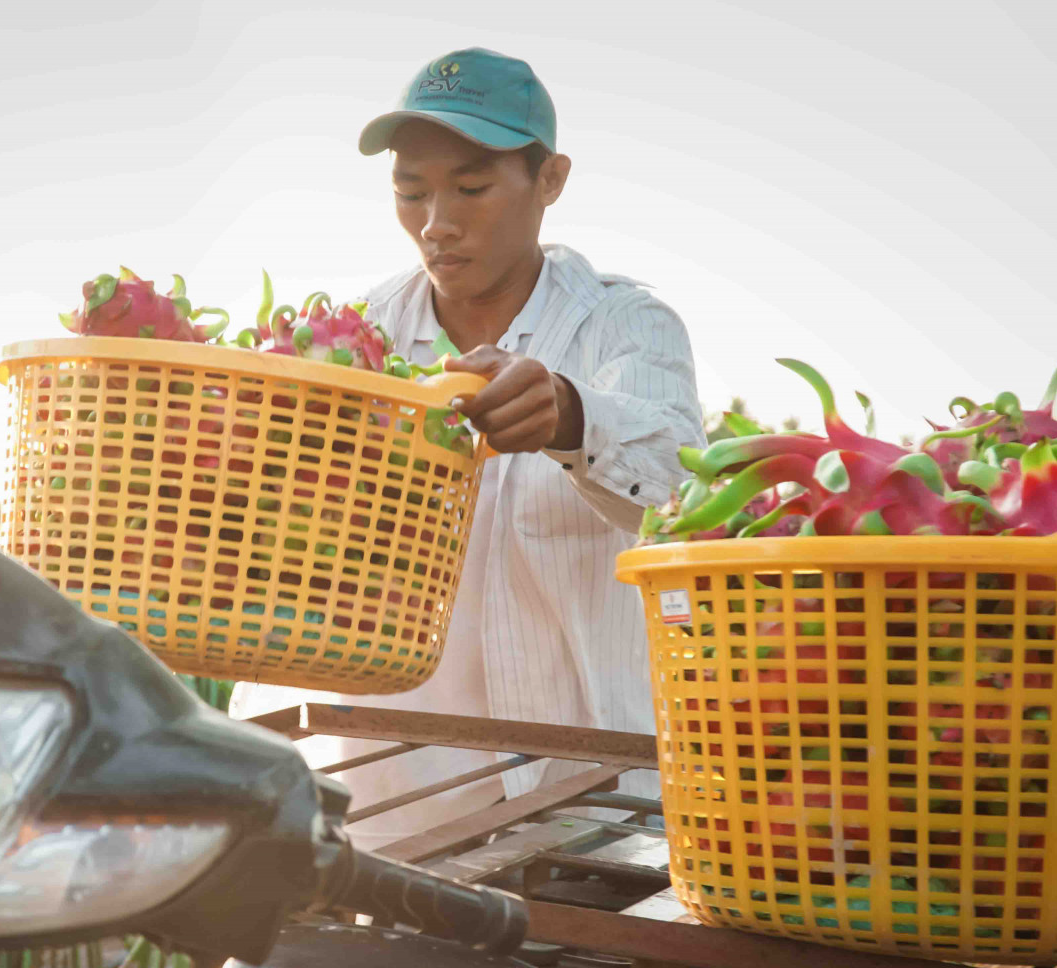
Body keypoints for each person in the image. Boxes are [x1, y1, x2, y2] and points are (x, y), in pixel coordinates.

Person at [229, 47, 708, 853]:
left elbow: (682, 485)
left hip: (590, 807)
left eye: (471, 187)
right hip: (388, 807)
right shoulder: (356, 344)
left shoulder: (622, 326)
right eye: (410, 192)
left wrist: (570, 416)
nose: (436, 223)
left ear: (549, 180)